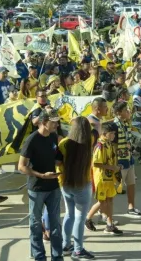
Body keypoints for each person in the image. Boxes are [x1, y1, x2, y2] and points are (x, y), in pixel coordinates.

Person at [18, 109, 63, 261]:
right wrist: (41, 175)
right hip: (37, 188)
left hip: (54, 187)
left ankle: (57, 257)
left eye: (57, 121)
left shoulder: (54, 137)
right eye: (53, 122)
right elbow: (21, 166)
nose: (57, 124)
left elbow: (56, 158)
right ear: (44, 123)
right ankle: (39, 256)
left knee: (56, 224)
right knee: (35, 225)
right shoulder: (32, 140)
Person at [56, 117, 95, 259]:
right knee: (80, 217)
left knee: (69, 214)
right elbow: (98, 128)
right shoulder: (89, 141)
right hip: (82, 183)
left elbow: (58, 162)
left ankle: (66, 245)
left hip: (65, 183)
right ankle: (78, 250)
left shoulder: (64, 143)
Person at [89, 122, 123, 235]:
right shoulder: (100, 146)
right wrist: (112, 167)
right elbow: (96, 164)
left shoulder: (109, 144)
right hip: (101, 178)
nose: (114, 135)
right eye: (112, 133)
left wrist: (117, 167)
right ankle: (88, 218)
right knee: (102, 202)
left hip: (109, 177)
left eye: (114, 133)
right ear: (104, 133)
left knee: (110, 200)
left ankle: (109, 224)